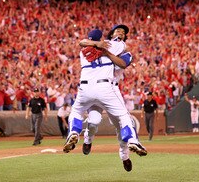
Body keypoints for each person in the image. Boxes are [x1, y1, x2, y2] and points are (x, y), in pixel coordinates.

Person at [63, 28, 147, 169]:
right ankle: (89, 140)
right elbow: (91, 43)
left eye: (123, 33)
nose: (120, 34)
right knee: (97, 120)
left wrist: (103, 50)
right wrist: (101, 45)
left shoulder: (121, 52)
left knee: (118, 127)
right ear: (111, 34)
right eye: (118, 31)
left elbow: (122, 63)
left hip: (103, 88)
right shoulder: (110, 44)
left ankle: (124, 156)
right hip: (106, 89)